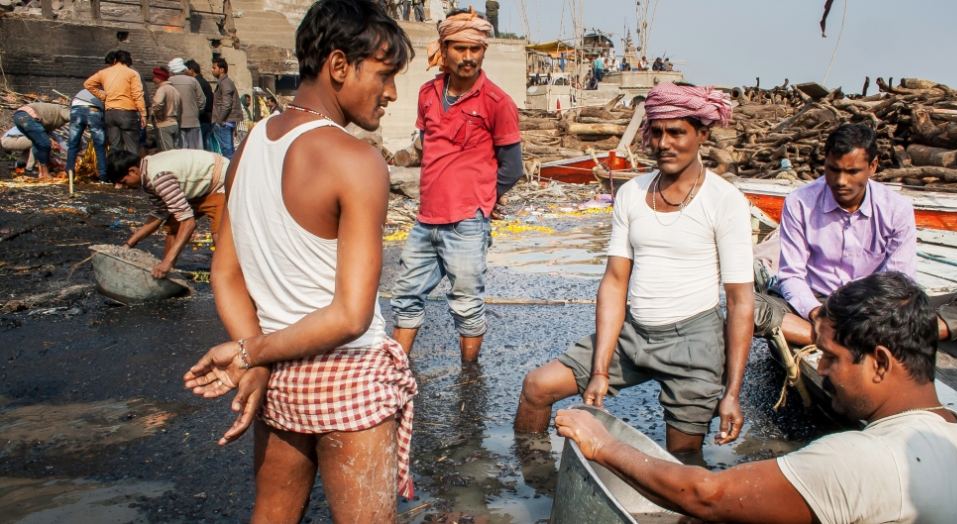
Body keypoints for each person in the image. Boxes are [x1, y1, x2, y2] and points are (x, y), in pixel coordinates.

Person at [182, 0, 418, 521]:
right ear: (339, 65)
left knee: (271, 515)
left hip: (278, 375)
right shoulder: (357, 160)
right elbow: (350, 317)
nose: (391, 93)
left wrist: (255, 356)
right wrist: (249, 354)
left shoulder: (250, 145)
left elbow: (226, 273)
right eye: (384, 75)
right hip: (348, 374)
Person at [556, 272, 957, 524]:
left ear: (879, 362)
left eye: (831, 357)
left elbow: (706, 493)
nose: (820, 368)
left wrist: (603, 444)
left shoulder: (866, 459)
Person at [515, 83, 754, 460]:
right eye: (656, 132)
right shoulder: (631, 194)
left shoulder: (725, 201)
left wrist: (732, 393)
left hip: (694, 344)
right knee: (536, 387)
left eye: (676, 132)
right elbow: (614, 283)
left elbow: (740, 302)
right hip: (633, 335)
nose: (664, 143)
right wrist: (599, 370)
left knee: (681, 463)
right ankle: (532, 478)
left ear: (702, 134)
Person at [753, 123, 957, 348]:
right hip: (817, 302)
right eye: (833, 170)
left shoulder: (896, 209)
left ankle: (849, 336)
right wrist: (815, 312)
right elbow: (792, 275)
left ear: (873, 166)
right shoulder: (799, 202)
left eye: (852, 172)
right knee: (747, 305)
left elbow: (899, 281)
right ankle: (855, 338)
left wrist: (870, 316)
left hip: (876, 309)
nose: (841, 181)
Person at [390, 7, 524, 362]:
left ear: (483, 51)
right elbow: (426, 146)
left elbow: (513, 168)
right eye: (460, 48)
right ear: (444, 49)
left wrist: (483, 200)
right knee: (405, 297)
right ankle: (397, 371)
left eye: (475, 49)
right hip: (425, 220)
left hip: (467, 222)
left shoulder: (497, 103)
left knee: (466, 304)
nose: (468, 57)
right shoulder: (427, 93)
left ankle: (469, 377)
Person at [107, 148, 227, 277]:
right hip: (201, 186)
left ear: (133, 171)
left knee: (220, 233)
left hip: (222, 180)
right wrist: (127, 246)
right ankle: (168, 273)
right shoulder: (147, 175)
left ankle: (227, 276)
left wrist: (167, 262)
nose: (124, 187)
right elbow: (158, 214)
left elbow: (188, 223)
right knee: (173, 226)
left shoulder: (159, 177)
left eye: (124, 182)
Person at [84, 50, 145, 154]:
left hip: (110, 113)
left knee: (114, 147)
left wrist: (103, 97)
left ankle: (114, 164)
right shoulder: (132, 73)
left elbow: (88, 84)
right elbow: (137, 94)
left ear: (115, 59)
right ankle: (132, 164)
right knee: (132, 147)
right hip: (127, 112)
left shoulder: (103, 72)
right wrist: (143, 113)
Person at [12, 102, 70, 179]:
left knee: (37, 144)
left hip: (18, 116)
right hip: (28, 116)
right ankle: (45, 173)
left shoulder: (50, 118)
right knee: (45, 144)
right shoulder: (64, 109)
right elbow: (73, 118)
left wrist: (55, 142)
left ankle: (41, 173)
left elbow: (46, 133)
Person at [65, 85, 108, 182]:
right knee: (99, 146)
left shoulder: (83, 91)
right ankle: (103, 176)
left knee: (73, 145)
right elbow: (106, 112)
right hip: (93, 110)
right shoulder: (103, 93)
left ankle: (70, 173)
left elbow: (71, 104)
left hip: (76, 109)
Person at [166, 58, 206, 149]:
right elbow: (202, 100)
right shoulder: (193, 80)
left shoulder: (169, 81)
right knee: (196, 151)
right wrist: (197, 111)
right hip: (193, 121)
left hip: (177, 121)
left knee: (182, 151)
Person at [211, 57, 244, 158]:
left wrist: (219, 121)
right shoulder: (223, 83)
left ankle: (231, 168)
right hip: (225, 122)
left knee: (227, 152)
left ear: (221, 69)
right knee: (227, 151)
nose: (212, 70)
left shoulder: (225, 83)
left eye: (214, 68)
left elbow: (226, 104)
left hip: (224, 122)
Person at [184, 60, 214, 150]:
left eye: (185, 70)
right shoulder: (204, 82)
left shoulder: (196, 83)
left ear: (191, 70)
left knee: (199, 147)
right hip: (207, 118)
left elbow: (201, 101)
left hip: (201, 119)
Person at [150, 67, 181, 151]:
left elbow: (158, 103)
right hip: (174, 123)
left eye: (154, 77)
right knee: (176, 151)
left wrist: (156, 113)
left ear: (159, 78)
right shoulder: (174, 89)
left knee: (166, 153)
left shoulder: (162, 89)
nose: (153, 80)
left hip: (164, 124)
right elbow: (179, 107)